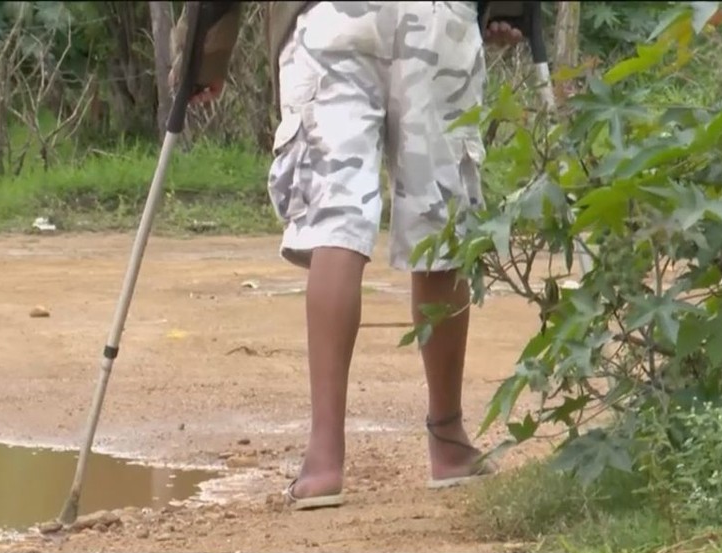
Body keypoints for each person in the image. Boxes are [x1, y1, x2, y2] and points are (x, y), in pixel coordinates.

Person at [171, 1, 526, 509]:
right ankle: (448, 443)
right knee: (439, 221)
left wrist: (202, 53)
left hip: (329, 19)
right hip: (433, 18)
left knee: (337, 221)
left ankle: (323, 459)